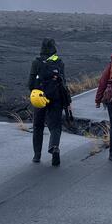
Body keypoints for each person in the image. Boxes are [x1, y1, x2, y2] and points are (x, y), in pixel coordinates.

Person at [28, 38, 71, 166]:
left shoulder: (36, 62)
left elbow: (30, 83)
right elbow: (63, 82)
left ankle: (37, 155)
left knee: (38, 126)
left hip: (40, 98)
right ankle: (54, 147)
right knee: (55, 126)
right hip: (56, 98)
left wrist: (36, 91)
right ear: (54, 48)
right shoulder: (59, 62)